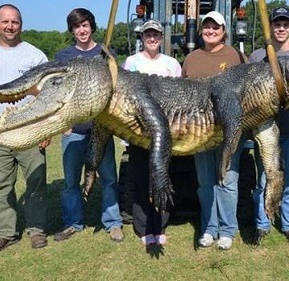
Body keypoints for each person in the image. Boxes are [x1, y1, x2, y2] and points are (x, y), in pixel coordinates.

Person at [0, 4, 50, 253]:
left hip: (28, 125)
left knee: (36, 181)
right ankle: (5, 233)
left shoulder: (36, 56)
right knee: (0, 185)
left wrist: (44, 129)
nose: (10, 26)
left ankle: (37, 230)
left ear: (21, 24)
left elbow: (47, 93)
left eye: (14, 22)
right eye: (5, 22)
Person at [53, 8, 124, 243]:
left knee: (108, 179)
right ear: (72, 30)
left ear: (91, 27)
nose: (81, 30)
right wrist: (64, 123)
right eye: (76, 26)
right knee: (71, 181)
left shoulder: (106, 54)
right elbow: (57, 92)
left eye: (85, 25)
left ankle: (113, 223)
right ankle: (73, 222)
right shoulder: (63, 57)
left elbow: (116, 91)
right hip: (73, 131)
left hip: (101, 130)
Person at [182, 11, 248, 250]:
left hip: (228, 130)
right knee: (205, 181)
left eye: (215, 28)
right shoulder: (192, 58)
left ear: (224, 31)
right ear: (200, 30)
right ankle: (209, 228)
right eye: (206, 27)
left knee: (227, 180)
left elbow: (248, 90)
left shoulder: (236, 56)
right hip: (200, 132)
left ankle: (228, 229)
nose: (210, 31)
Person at [249, 6, 289, 245]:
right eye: (277, 24)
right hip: (265, 131)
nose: (281, 28)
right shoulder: (258, 57)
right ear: (271, 27)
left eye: (285, 24)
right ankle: (262, 223)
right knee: (264, 180)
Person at [121, 19, 182, 246]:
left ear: (161, 36)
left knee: (163, 179)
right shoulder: (131, 63)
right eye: (148, 34)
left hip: (166, 133)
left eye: (156, 34)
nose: (152, 38)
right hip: (139, 132)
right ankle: (144, 227)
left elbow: (180, 97)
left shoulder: (172, 64)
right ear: (142, 37)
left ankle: (161, 225)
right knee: (140, 179)